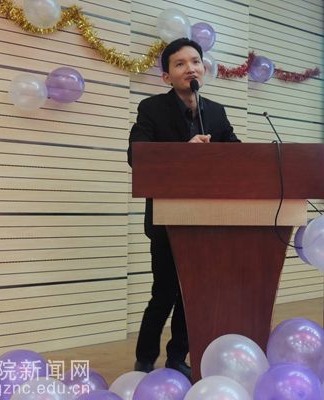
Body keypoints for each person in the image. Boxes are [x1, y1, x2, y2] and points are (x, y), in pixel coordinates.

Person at [127, 37, 240, 378]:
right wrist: (183, 151)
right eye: (180, 64)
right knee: (164, 293)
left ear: (203, 68)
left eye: (195, 61)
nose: (190, 68)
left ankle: (177, 356)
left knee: (194, 295)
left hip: (207, 218)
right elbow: (136, 155)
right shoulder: (152, 109)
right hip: (167, 217)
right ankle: (145, 359)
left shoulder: (215, 112)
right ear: (167, 76)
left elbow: (236, 153)